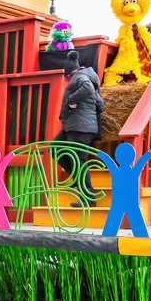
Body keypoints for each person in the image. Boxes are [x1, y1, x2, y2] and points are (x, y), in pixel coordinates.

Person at [53, 50, 106, 208]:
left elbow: (87, 89)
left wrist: (71, 100)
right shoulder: (87, 77)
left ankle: (88, 198)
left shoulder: (80, 77)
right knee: (55, 147)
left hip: (79, 128)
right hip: (75, 126)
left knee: (79, 162)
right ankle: (77, 180)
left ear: (69, 73)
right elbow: (100, 105)